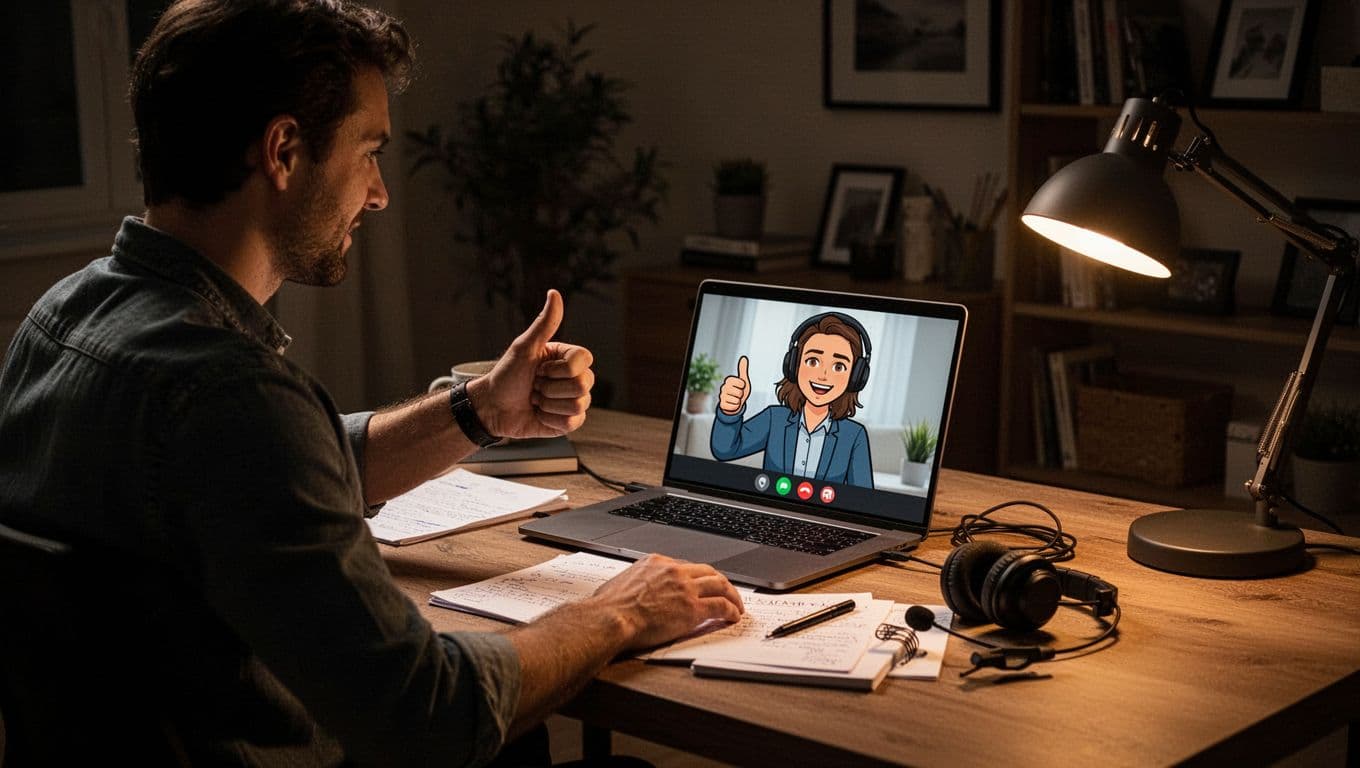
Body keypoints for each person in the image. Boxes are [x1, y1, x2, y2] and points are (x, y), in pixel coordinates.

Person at [0, 1, 743, 765]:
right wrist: (617, 613)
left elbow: (285, 472)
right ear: (284, 151)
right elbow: (428, 714)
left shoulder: (62, 317)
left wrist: (482, 409)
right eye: (368, 152)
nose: (380, 192)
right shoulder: (230, 396)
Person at [710, 313, 874, 488]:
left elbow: (863, 496)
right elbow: (725, 450)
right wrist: (730, 412)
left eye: (838, 366)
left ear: (856, 377)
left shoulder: (854, 436)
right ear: (794, 365)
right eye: (813, 361)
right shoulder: (774, 419)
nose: (823, 376)